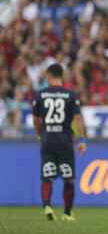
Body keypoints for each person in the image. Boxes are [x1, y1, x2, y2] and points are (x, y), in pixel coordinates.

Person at [32, 63, 86, 221]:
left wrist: (41, 134)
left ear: (48, 77)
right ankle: (67, 213)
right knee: (68, 178)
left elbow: (35, 119)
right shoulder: (70, 95)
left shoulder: (40, 95)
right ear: (62, 77)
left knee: (47, 176)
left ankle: (47, 205)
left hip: (48, 140)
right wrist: (81, 139)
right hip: (65, 141)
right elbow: (77, 119)